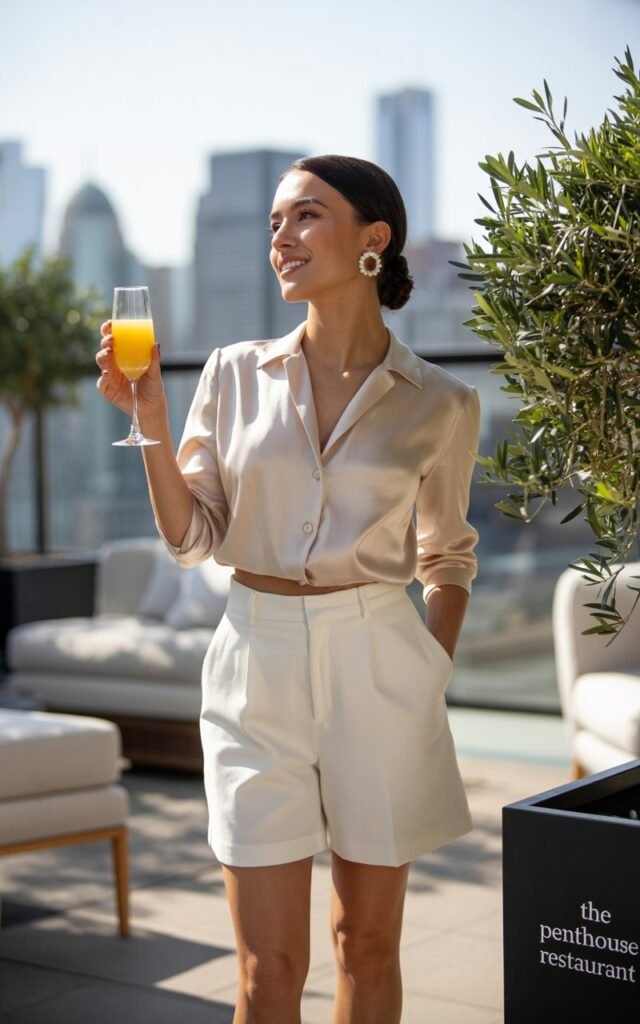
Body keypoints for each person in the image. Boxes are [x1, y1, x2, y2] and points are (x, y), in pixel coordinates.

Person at [96, 153, 480, 1024]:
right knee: (269, 965)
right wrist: (151, 421)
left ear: (372, 238)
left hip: (379, 660)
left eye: (305, 215)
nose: (282, 237)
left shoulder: (443, 402)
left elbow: (448, 555)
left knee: (366, 944)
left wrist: (429, 669)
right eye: (274, 221)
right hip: (253, 658)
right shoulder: (232, 374)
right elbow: (192, 538)